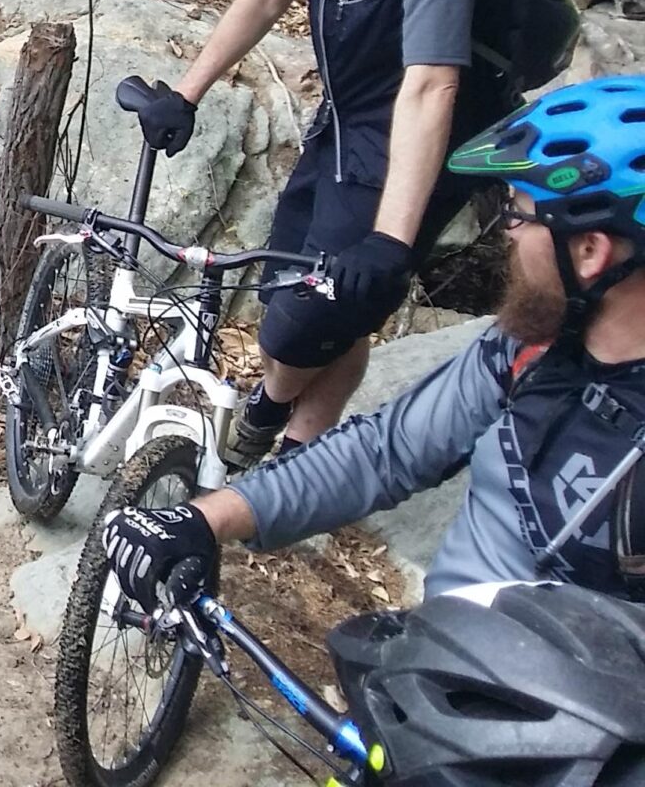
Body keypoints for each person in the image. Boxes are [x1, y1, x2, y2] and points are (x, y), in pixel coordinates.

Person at [96, 76, 645, 614]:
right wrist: (209, 517)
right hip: (439, 668)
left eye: (516, 214)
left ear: (591, 251)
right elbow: (385, 453)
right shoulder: (527, 348)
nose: (506, 232)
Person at [130, 0, 518, 468]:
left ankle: (277, 423)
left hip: (418, 136)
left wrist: (392, 240)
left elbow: (433, 81)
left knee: (308, 320)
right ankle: (294, 449)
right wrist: (187, 92)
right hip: (345, 118)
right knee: (295, 294)